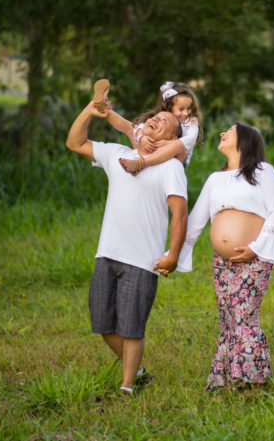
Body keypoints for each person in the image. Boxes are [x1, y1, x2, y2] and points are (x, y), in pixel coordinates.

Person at [66, 97, 189, 396]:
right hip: (107, 252)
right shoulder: (117, 153)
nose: (157, 120)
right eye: (156, 117)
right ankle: (139, 371)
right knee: (103, 322)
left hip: (143, 259)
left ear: (172, 138)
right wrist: (90, 111)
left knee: (132, 326)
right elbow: (75, 143)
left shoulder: (171, 167)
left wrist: (172, 255)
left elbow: (179, 214)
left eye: (166, 121)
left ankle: (127, 387)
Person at [178, 123, 274, 392]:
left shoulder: (262, 171)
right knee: (228, 318)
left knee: (243, 314)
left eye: (230, 131)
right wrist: (174, 255)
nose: (222, 133)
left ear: (245, 141)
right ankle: (228, 380)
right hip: (222, 262)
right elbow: (195, 221)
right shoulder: (216, 178)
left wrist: (257, 247)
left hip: (255, 257)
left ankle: (254, 382)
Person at [105, 81, 203, 175]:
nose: (186, 113)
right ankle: (103, 109)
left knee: (178, 145)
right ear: (169, 107)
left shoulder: (191, 121)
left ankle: (140, 163)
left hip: (176, 157)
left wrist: (168, 143)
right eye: (181, 109)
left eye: (189, 108)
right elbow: (141, 125)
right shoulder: (161, 115)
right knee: (131, 127)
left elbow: (190, 139)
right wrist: (141, 137)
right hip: (153, 148)